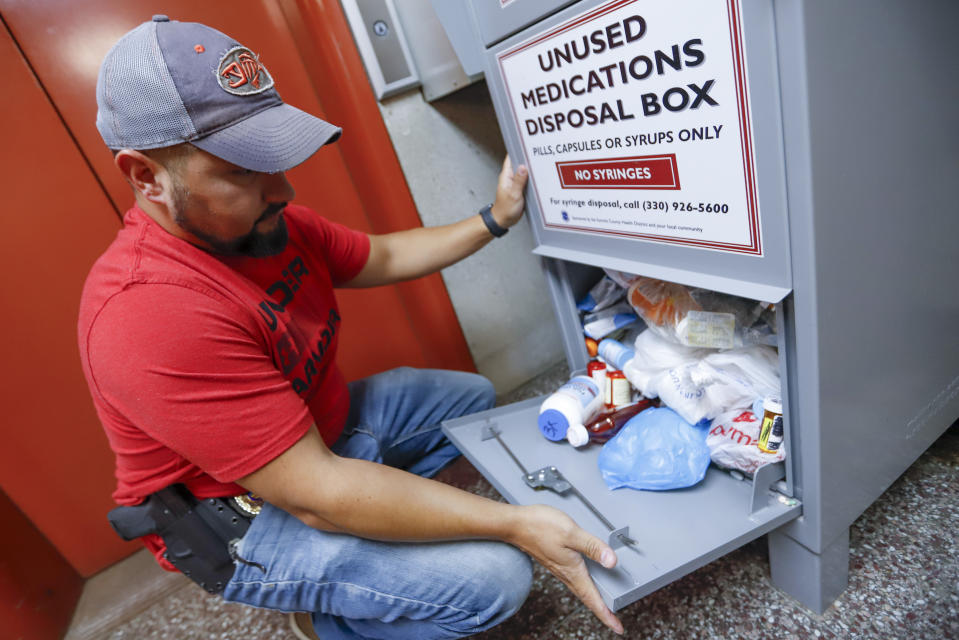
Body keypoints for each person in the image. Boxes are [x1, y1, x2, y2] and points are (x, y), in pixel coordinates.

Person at [79, 15, 624, 639]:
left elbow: (385, 256)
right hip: (237, 514)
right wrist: (515, 523)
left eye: (274, 159)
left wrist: (495, 218)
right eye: (243, 171)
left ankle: (379, 526)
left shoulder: (267, 223)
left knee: (468, 400)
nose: (283, 190)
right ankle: (326, 620)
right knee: (495, 580)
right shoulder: (149, 312)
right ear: (147, 176)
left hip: (315, 437)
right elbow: (314, 492)